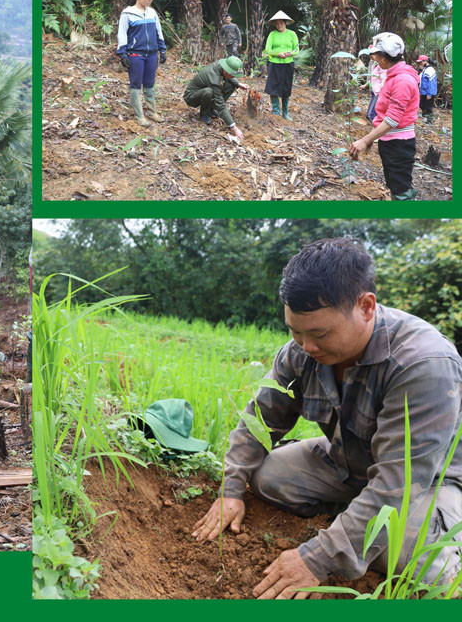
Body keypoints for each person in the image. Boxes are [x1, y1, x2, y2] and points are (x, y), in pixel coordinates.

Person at [192, 238, 462, 598]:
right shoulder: (301, 351)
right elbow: (261, 418)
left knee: (421, 564)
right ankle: (354, 521)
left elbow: (399, 483)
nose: (306, 347)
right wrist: (230, 488)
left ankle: (446, 543)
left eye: (319, 334)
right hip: (348, 461)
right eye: (295, 331)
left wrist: (316, 558)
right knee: (267, 477)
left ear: (366, 307)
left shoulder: (423, 364)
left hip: (427, 483)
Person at [350, 32, 420, 201]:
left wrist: (365, 140)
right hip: (391, 142)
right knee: (396, 184)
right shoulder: (394, 75)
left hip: (399, 144)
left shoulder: (402, 81)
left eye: (376, 55)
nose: (374, 59)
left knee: (401, 189)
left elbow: (392, 120)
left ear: (383, 57)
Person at [116, 0, 167, 127]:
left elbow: (159, 31)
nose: (150, 0)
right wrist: (123, 54)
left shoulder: (152, 13)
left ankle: (152, 112)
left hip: (151, 54)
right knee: (136, 84)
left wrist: (162, 50)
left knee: (150, 84)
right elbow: (122, 34)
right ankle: (139, 116)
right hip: (135, 55)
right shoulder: (127, 13)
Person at [183, 55, 249, 139]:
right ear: (226, 71)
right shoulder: (214, 77)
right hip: (191, 97)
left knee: (232, 85)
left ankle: (212, 109)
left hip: (203, 91)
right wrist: (234, 128)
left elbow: (229, 76)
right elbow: (220, 103)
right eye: (232, 75)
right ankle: (204, 113)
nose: (234, 77)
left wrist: (238, 84)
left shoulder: (221, 65)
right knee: (208, 92)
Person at [263, 11, 299, 120]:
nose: (279, 25)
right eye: (277, 24)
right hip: (274, 63)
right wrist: (277, 54)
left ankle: (285, 113)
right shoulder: (272, 34)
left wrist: (290, 54)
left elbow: (296, 49)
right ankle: (276, 112)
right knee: (273, 87)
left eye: (281, 23)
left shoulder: (292, 34)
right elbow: (267, 50)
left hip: (288, 64)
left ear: (285, 23)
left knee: (286, 88)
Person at [361, 37, 387, 123]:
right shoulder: (374, 63)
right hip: (374, 91)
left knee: (370, 115)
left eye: (372, 54)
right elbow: (373, 78)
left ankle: (377, 131)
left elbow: (384, 79)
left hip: (378, 92)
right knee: (375, 113)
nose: (370, 56)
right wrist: (365, 86)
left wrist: (381, 91)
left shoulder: (381, 65)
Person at [417, 54, 438, 123]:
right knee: (422, 106)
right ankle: (425, 119)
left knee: (428, 107)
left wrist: (429, 94)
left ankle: (430, 121)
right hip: (423, 92)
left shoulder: (430, 70)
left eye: (420, 62)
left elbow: (432, 83)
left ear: (425, 61)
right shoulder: (424, 69)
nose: (419, 63)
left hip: (428, 93)